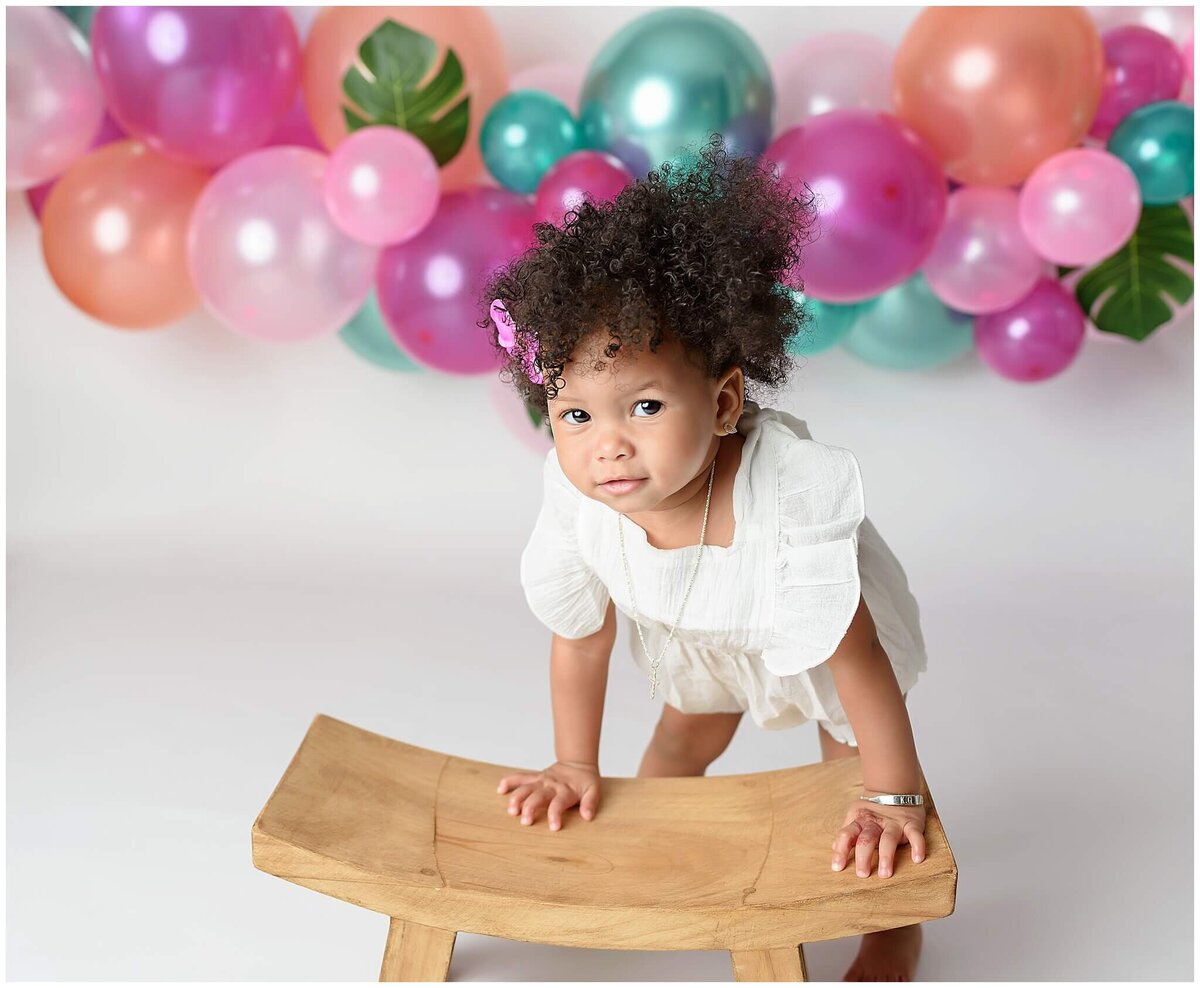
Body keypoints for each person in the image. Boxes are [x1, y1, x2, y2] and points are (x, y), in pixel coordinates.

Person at [481, 134, 929, 981]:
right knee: (677, 748)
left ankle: (893, 924)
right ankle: (654, 863)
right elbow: (582, 637)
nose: (606, 447)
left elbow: (855, 652)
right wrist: (575, 764)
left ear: (723, 401)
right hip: (702, 635)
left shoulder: (790, 488)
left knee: (857, 784)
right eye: (575, 415)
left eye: (643, 405)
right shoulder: (577, 496)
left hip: (820, 636)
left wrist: (893, 791)